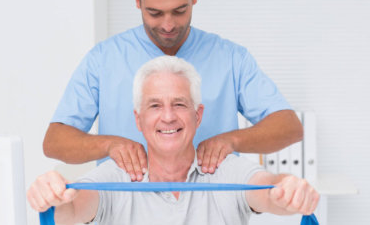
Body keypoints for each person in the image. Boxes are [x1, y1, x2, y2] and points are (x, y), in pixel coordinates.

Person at [43, 0, 303, 182]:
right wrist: (109, 145)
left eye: (180, 11)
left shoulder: (231, 58)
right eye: (154, 13)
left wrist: (231, 141)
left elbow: (289, 127)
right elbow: (55, 141)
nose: (168, 25)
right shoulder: (103, 59)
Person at [28, 56, 319, 225]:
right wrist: (52, 196)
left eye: (179, 104)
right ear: (138, 119)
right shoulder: (114, 176)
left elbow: (269, 191)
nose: (168, 116)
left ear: (198, 115)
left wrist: (290, 190)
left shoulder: (226, 171)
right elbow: (72, 209)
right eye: (155, 106)